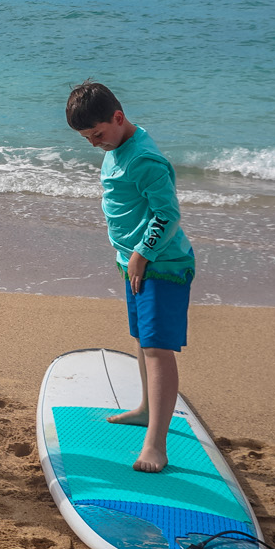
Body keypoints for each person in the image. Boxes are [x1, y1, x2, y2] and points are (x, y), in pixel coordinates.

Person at [66, 81, 196, 473]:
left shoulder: (144, 159)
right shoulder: (117, 147)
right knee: (142, 339)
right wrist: (131, 258)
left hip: (162, 266)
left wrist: (142, 254)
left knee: (157, 349)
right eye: (87, 139)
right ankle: (145, 409)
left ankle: (156, 445)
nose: (94, 143)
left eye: (97, 134)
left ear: (118, 118)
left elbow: (168, 215)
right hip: (135, 263)